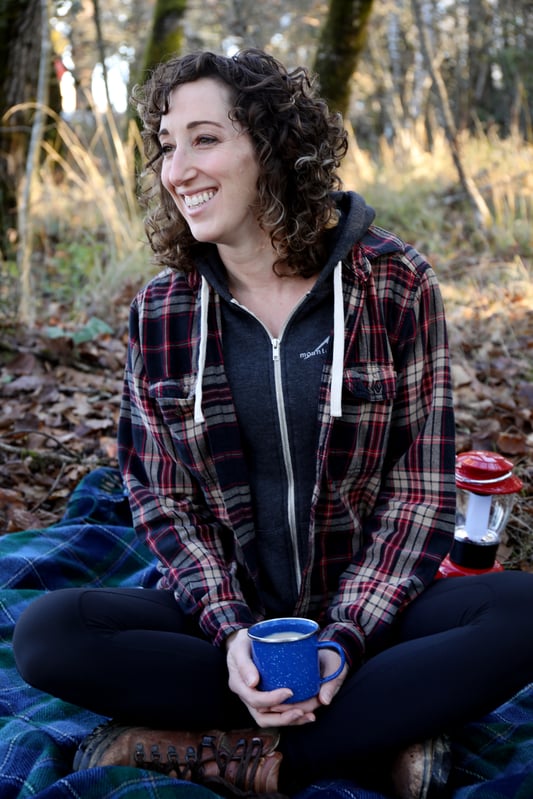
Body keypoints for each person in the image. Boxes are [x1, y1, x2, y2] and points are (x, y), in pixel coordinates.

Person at [12, 48, 533, 799]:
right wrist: (230, 634)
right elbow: (161, 500)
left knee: (521, 612)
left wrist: (346, 637)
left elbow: (420, 495)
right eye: (166, 145)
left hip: (374, 614)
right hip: (222, 623)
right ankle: (371, 737)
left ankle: (251, 758)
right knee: (49, 633)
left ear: (273, 145)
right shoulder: (161, 311)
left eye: (204, 138)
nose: (177, 168)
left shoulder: (394, 283)